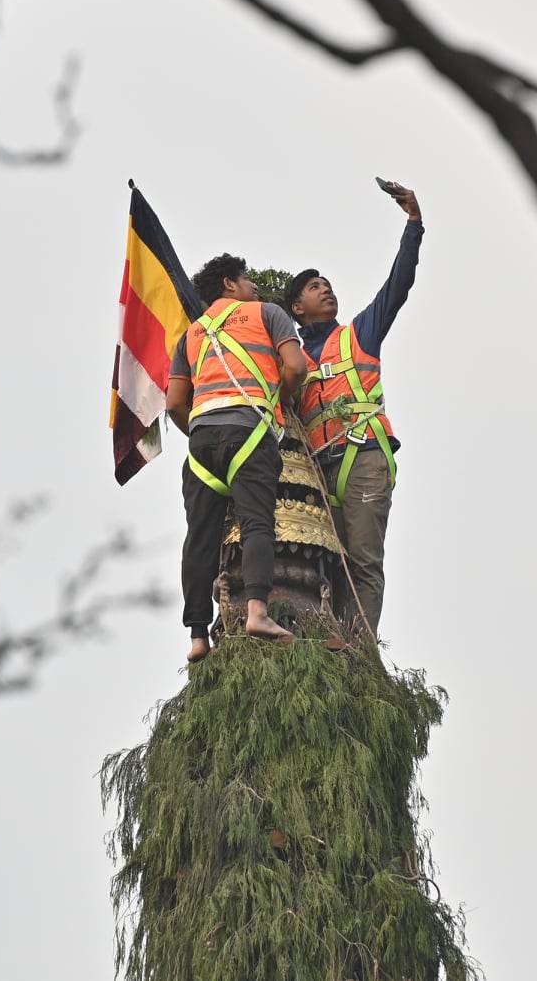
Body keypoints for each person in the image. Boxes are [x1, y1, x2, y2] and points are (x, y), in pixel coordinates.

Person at [282, 183, 424, 636]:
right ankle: (333, 644)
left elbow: (397, 286)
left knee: (363, 560)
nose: (325, 289)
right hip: (318, 471)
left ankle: (360, 652)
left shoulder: (360, 333)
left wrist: (413, 226)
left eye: (326, 284)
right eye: (313, 286)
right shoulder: (289, 359)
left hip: (363, 457)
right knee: (329, 565)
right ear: (295, 308)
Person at [167, 253, 308, 664]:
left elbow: (175, 401)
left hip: (201, 441)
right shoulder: (268, 314)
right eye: (246, 279)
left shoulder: (190, 336)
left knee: (199, 538)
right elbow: (296, 368)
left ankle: (197, 636)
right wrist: (276, 402)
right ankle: (258, 613)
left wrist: (197, 429)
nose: (254, 286)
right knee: (257, 523)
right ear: (229, 284)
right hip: (250, 431)